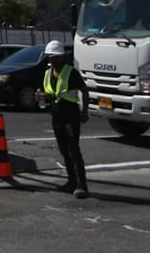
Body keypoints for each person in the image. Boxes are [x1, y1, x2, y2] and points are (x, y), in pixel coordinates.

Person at [35, 39, 90, 198]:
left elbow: (84, 91)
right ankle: (71, 182)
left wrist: (84, 111)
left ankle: (82, 185)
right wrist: (42, 96)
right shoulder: (47, 74)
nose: (51, 59)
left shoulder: (70, 72)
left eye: (54, 57)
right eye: (50, 57)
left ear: (61, 57)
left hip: (71, 115)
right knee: (64, 151)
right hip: (57, 115)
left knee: (74, 150)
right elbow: (51, 93)